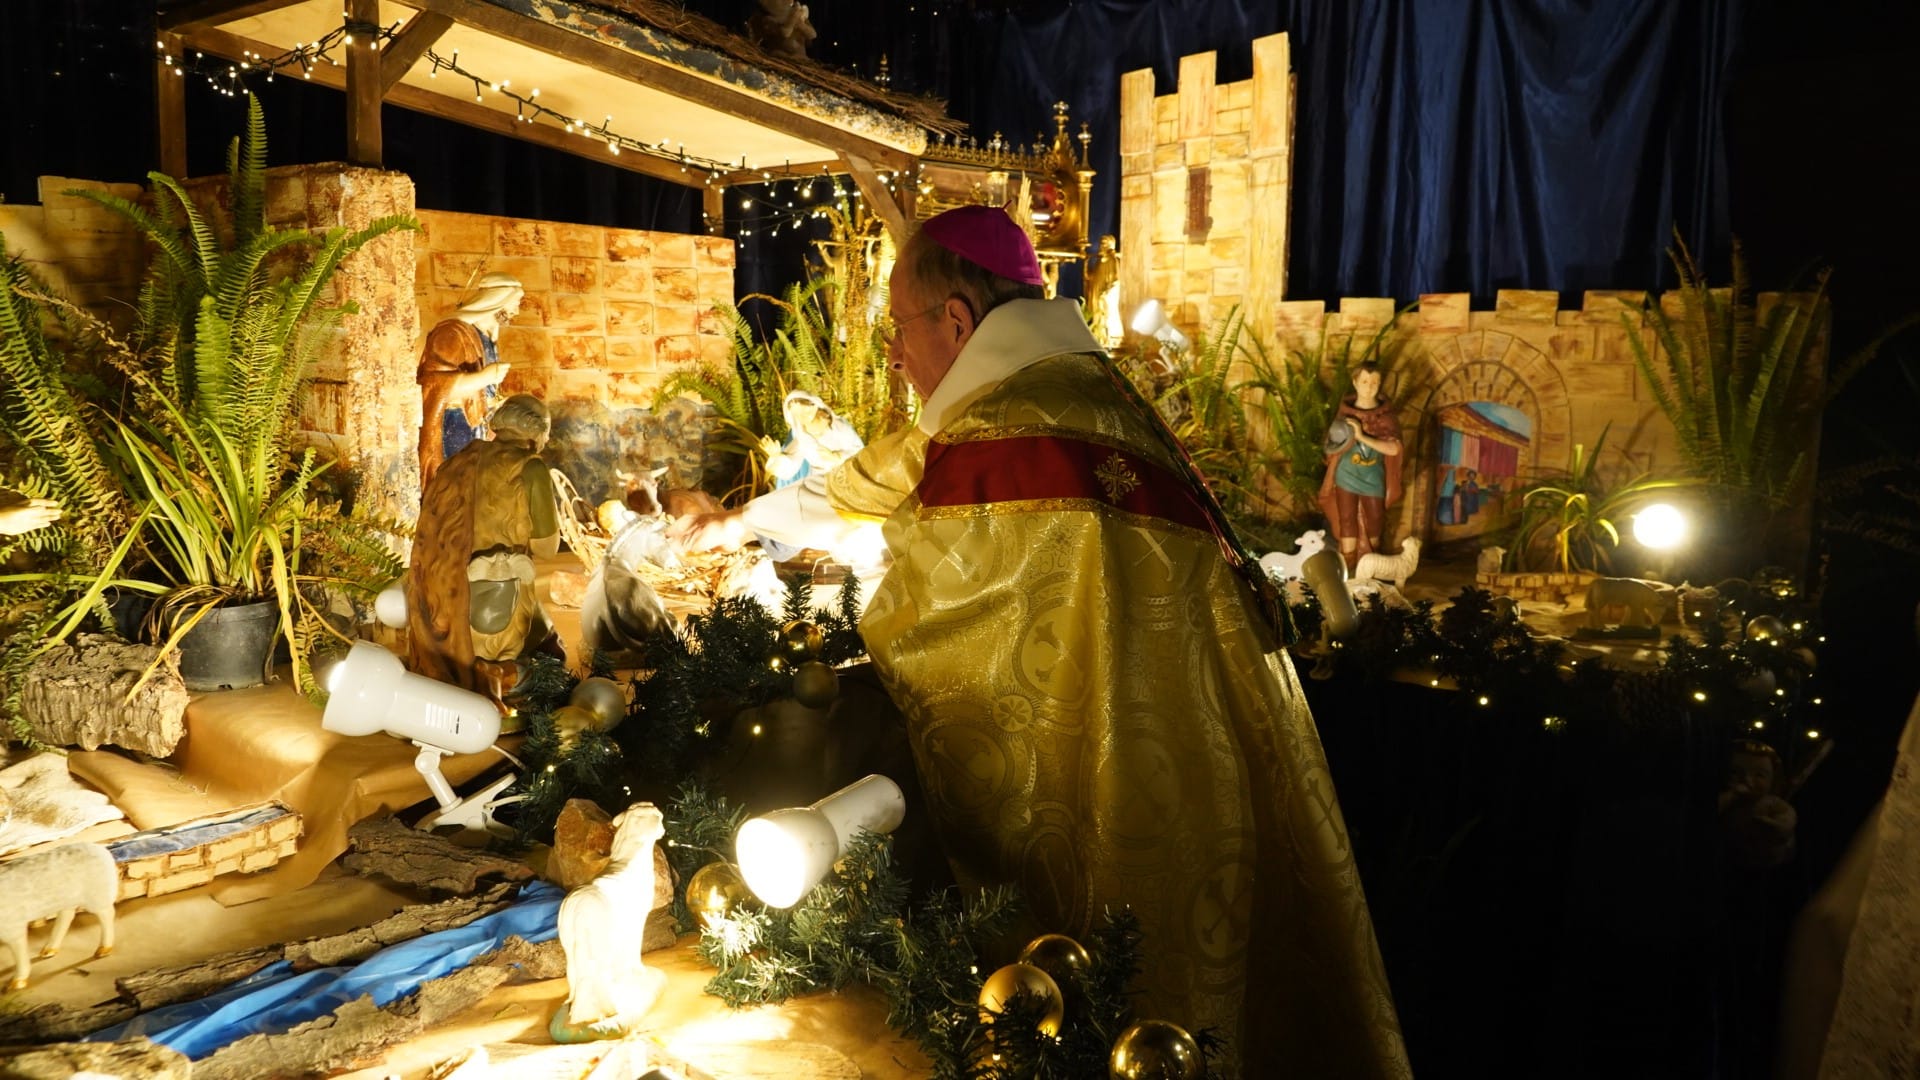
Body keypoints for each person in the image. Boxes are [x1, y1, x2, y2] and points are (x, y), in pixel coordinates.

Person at [673, 206, 1408, 1076]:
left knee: (1109, 981)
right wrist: (745, 521)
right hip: (1210, 748)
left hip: (1125, 768)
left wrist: (863, 587)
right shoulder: (1077, 394)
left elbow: (935, 607)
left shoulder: (1006, 425)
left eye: (899, 331)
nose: (895, 357)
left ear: (956, 319)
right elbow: (887, 473)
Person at [406, 393, 560, 706]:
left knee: (541, 627)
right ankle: (500, 675)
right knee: (554, 663)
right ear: (538, 433)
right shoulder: (531, 469)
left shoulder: (458, 462)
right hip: (499, 597)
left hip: (442, 602)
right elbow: (548, 549)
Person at [418, 273, 523, 490]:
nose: (517, 311)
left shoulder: (486, 336)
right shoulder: (451, 333)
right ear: (497, 300)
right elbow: (433, 384)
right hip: (455, 425)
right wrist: (485, 377)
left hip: (479, 423)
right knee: (455, 487)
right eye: (514, 305)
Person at [1318, 362, 1404, 570]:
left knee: (1375, 519)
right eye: (1364, 381)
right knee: (1346, 518)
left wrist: (1362, 436)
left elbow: (1394, 449)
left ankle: (1371, 565)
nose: (1369, 387)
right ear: (1355, 383)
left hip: (1373, 476)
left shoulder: (1386, 418)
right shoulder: (1344, 414)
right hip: (1346, 475)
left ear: (1380, 384)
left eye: (1374, 382)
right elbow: (1331, 444)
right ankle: (1348, 568)